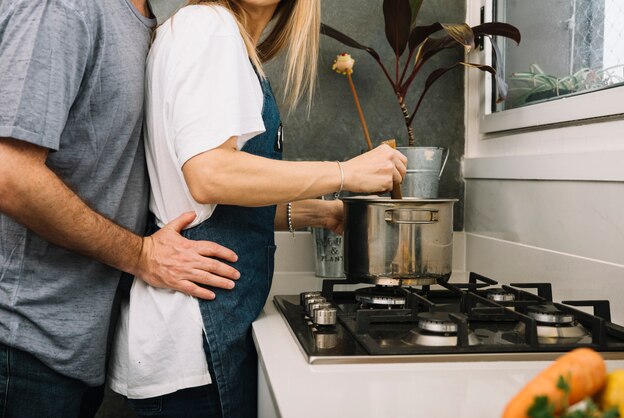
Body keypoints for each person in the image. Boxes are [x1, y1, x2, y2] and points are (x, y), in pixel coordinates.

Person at [107, 0, 408, 417]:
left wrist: (322, 213)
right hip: (197, 337)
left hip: (191, 339)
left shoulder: (212, 34)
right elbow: (210, 174)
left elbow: (214, 204)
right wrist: (345, 172)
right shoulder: (211, 28)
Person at [0, 1, 241, 417]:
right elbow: (10, 173)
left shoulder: (143, 19)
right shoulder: (63, 7)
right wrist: (140, 254)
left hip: (74, 345)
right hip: (20, 342)